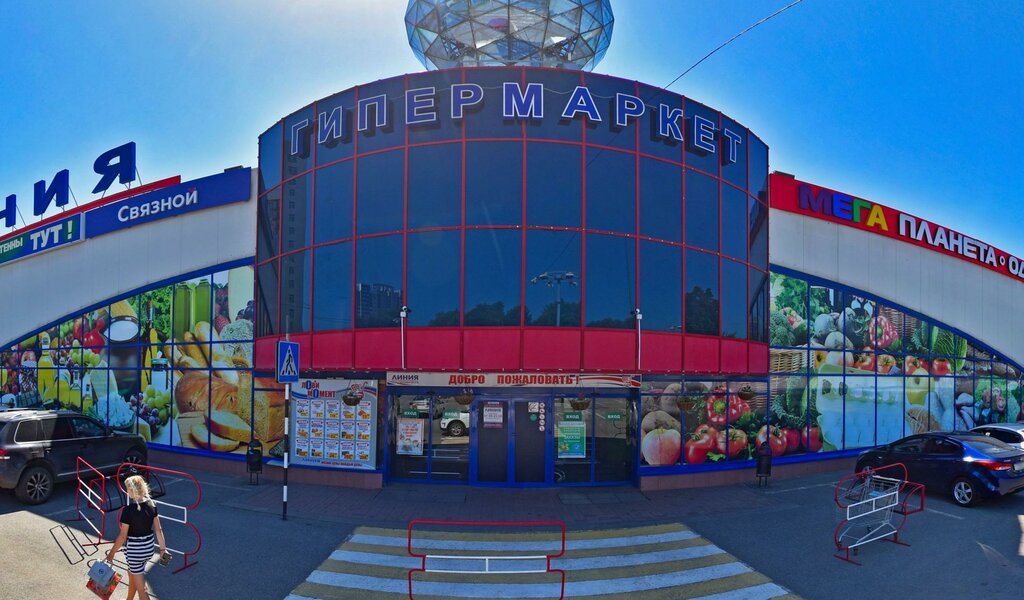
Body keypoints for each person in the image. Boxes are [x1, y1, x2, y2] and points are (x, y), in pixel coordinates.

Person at [105, 475, 167, 600]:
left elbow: (122, 537)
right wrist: (162, 549)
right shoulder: (152, 505)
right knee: (133, 574)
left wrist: (111, 553)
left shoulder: (128, 510)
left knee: (141, 590)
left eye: (127, 488)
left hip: (135, 553)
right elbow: (158, 530)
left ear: (132, 490)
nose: (126, 491)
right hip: (148, 550)